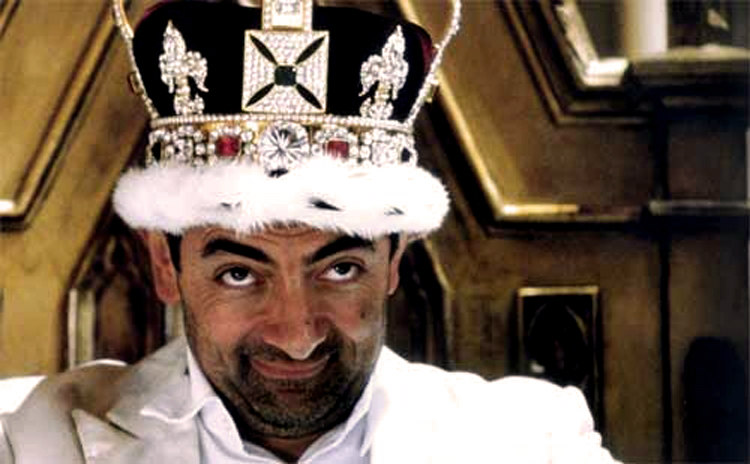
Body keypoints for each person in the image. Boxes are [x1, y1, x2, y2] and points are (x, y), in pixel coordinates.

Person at [0, 0, 621, 462]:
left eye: (340, 269)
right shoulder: (28, 440)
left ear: (394, 260)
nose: (296, 334)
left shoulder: (529, 443)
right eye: (238, 273)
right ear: (166, 265)